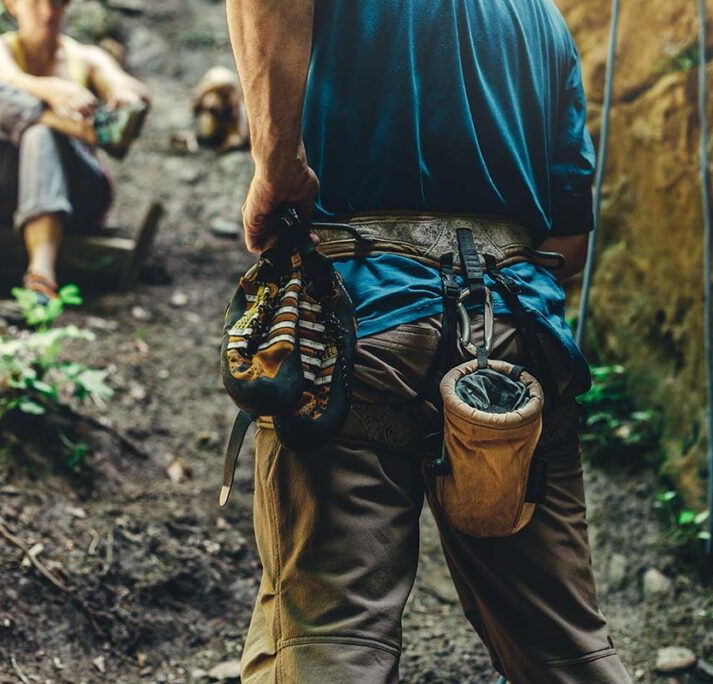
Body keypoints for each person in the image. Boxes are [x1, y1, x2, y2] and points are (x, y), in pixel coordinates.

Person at [226, 1, 633, 682]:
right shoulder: (542, 20)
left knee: (332, 640)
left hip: (356, 330)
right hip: (513, 354)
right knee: (566, 648)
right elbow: (571, 240)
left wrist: (276, 160)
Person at [0, 0, 149, 300]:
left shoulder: (85, 57)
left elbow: (126, 86)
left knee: (41, 134)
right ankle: (85, 128)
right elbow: (8, 79)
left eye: (57, 3)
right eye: (36, 2)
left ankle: (41, 275)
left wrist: (123, 92)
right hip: (5, 183)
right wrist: (53, 95)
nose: (48, 13)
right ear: (12, 5)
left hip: (79, 194)